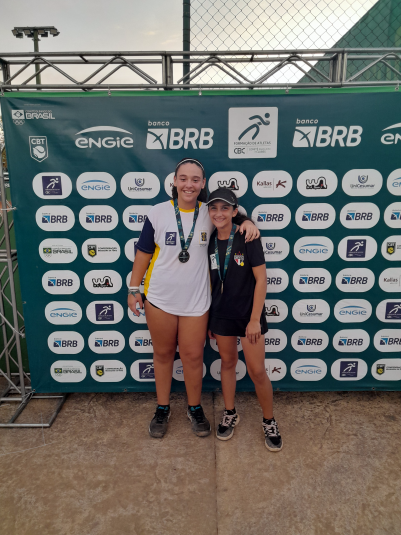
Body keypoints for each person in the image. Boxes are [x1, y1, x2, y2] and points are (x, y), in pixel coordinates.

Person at [127, 159, 260, 439]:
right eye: (184, 178)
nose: (189, 184)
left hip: (196, 302)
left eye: (195, 179)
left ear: (203, 184)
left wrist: (246, 221)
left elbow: (231, 217)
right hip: (160, 299)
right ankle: (162, 408)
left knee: (193, 356)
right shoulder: (158, 212)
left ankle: (195, 407)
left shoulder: (208, 212)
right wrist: (133, 288)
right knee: (163, 355)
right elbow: (143, 252)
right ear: (174, 181)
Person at [206, 187, 282, 452]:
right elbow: (210, 282)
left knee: (257, 371)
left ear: (234, 211)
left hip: (249, 316)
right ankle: (230, 413)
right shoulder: (209, 240)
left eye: (225, 208)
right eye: (214, 208)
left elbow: (261, 280)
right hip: (221, 315)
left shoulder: (248, 236)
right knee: (227, 363)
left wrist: (254, 320)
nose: (219, 213)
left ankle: (269, 421)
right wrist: (211, 319)